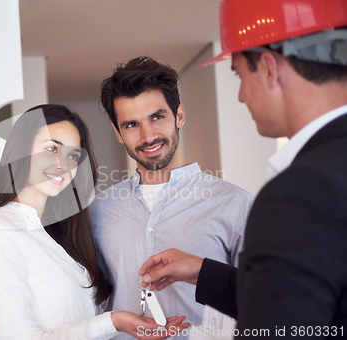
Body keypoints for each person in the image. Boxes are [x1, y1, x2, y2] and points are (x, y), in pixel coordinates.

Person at [140, 0, 347, 337]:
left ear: (269, 67)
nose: (239, 95)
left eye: (238, 73)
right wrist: (204, 271)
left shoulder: (302, 193)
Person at [0, 104, 188, 340]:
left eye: (73, 156)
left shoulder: (64, 232)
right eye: (51, 149)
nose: (63, 165)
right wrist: (113, 321)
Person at [89, 57, 254, 339]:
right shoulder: (98, 212)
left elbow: (264, 299)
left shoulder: (237, 206)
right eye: (131, 125)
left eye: (157, 117)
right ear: (118, 133)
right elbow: (95, 304)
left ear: (179, 115)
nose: (148, 135)